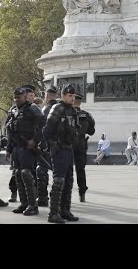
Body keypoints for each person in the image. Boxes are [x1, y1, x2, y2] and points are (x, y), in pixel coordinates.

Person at [43, 84, 79, 223]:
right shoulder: (57, 108)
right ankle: (53, 213)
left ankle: (65, 210)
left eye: (73, 96)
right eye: (70, 96)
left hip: (68, 149)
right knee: (59, 181)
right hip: (59, 149)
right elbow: (47, 131)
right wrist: (53, 144)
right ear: (63, 96)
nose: (72, 98)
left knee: (69, 180)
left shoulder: (72, 111)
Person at [6, 87, 44, 215]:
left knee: (26, 174)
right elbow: (10, 131)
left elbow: (43, 126)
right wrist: (8, 149)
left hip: (28, 147)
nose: (17, 100)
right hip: (17, 147)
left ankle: (33, 205)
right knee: (17, 174)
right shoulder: (14, 110)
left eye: (19, 97)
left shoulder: (33, 109)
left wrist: (34, 140)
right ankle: (24, 203)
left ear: (25, 96)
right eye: (15, 97)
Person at [37, 85, 58, 207]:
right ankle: (57, 198)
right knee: (59, 174)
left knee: (42, 171)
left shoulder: (45, 110)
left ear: (47, 96)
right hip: (60, 146)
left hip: (47, 146)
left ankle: (43, 197)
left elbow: (42, 129)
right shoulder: (61, 109)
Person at [73, 93, 95, 202]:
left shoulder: (66, 113)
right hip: (81, 144)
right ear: (80, 102)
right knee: (80, 169)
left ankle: (64, 195)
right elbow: (91, 131)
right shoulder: (87, 115)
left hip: (68, 144)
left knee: (66, 170)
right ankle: (82, 193)